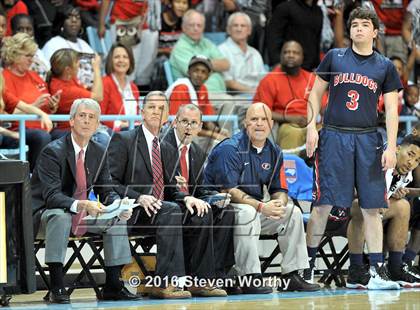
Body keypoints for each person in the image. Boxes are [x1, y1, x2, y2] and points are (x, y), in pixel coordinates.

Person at [305, 7, 402, 289]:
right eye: (354, 25)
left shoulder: (385, 66)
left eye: (364, 25)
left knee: (372, 207)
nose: (358, 29)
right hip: (334, 136)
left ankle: (376, 273)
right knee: (323, 204)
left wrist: (392, 147)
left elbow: (393, 112)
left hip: (368, 138)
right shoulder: (334, 57)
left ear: (375, 32)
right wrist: (312, 126)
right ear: (349, 31)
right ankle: (308, 266)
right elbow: (314, 94)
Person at [108, 91, 226, 298]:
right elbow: (110, 183)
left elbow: (171, 189)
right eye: (151, 107)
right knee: (170, 210)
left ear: (167, 116)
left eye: (161, 108)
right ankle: (166, 283)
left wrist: (188, 197)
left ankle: (200, 280)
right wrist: (139, 197)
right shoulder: (124, 139)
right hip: (133, 211)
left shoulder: (167, 147)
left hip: (162, 210)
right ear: (142, 112)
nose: (156, 111)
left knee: (201, 211)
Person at [204, 102, 320, 293]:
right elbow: (229, 190)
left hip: (253, 208)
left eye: (264, 119)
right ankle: (250, 277)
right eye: (254, 119)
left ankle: (292, 275)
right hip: (221, 210)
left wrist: (278, 204)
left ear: (271, 123)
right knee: (248, 212)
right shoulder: (230, 149)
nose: (259, 124)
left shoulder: (274, 151)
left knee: (292, 212)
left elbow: (279, 188)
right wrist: (261, 207)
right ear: (245, 124)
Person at [31, 98, 139, 303]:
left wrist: (117, 206)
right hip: (45, 215)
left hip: (81, 214)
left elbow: (107, 189)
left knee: (116, 219)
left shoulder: (99, 151)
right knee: (61, 216)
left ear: (98, 125)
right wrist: (82, 205)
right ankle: (56, 286)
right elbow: (51, 196)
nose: (86, 121)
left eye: (92, 118)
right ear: (71, 121)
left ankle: (113, 285)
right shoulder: (52, 152)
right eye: (82, 116)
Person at [162, 103, 235, 291]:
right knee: (202, 214)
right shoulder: (163, 145)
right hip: (169, 205)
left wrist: (215, 196)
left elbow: (200, 188)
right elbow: (167, 187)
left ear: (200, 127)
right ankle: (200, 279)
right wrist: (187, 197)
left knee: (227, 211)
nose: (188, 127)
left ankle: (219, 275)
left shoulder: (198, 151)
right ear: (174, 123)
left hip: (191, 203)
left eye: (193, 123)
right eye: (184, 121)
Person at [347, 134, 420, 289]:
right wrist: (381, 195)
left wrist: (393, 194)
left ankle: (395, 268)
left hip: (375, 212)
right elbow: (351, 191)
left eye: (417, 161)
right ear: (397, 149)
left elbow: (385, 196)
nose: (411, 163)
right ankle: (356, 269)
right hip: (343, 206)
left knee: (402, 206)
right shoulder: (378, 159)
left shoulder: (406, 174)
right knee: (364, 205)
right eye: (410, 155)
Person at [254, 40, 326, 150]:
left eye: (295, 53)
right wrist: (290, 118)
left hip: (313, 124)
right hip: (285, 124)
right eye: (286, 52)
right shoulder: (269, 80)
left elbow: (324, 106)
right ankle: (288, 166)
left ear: (302, 57)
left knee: (329, 133)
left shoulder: (311, 78)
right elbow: (261, 111)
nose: (291, 55)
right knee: (293, 132)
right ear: (281, 56)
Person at [1, 32, 58, 171]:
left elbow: (45, 105)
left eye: (33, 56)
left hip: (45, 125)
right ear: (14, 54)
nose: (32, 60)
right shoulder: (4, 78)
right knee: (41, 137)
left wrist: (52, 106)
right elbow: (9, 113)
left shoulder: (34, 75)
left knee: (69, 135)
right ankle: (35, 184)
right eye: (28, 56)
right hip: (18, 128)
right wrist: (35, 105)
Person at [166, 55, 229, 150]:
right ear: (188, 72)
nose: (199, 74)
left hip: (192, 131)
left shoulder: (203, 89)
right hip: (171, 134)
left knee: (224, 139)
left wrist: (218, 131)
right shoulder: (181, 89)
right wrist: (212, 134)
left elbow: (208, 120)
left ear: (208, 76)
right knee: (209, 141)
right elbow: (178, 126)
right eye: (196, 70)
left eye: (203, 72)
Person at [169, 9, 230, 95]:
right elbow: (196, 73)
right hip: (194, 96)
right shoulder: (180, 47)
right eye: (191, 25)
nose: (195, 28)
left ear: (203, 27)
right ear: (183, 27)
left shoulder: (206, 42)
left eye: (199, 25)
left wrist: (205, 64)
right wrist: (214, 67)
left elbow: (226, 64)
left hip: (217, 93)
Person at [47, 48, 103, 140]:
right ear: (68, 70)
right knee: (105, 139)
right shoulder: (65, 90)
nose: (79, 65)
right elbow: (98, 97)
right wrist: (96, 68)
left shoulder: (68, 79)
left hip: (81, 127)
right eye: (77, 62)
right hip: (69, 130)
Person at [42, 5, 95, 89]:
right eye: (69, 17)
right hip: (66, 90)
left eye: (77, 17)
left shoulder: (84, 44)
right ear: (61, 21)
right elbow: (48, 73)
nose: (74, 20)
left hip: (91, 90)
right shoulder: (53, 44)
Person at [218, 12, 266, 96]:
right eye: (235, 25)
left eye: (243, 26)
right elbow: (228, 82)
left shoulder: (255, 53)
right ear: (228, 30)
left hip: (258, 95)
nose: (239, 29)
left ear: (249, 30)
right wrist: (253, 92)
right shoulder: (221, 50)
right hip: (235, 97)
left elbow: (263, 79)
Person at [267, 0, 323, 70]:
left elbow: (317, 41)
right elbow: (273, 37)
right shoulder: (285, 8)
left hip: (310, 68)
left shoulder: (318, 11)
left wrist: (316, 65)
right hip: (288, 66)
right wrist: (276, 62)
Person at [100, 43, 140, 131]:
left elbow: (137, 117)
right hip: (112, 133)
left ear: (130, 61)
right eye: (117, 57)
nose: (121, 60)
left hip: (133, 131)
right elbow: (99, 116)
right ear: (110, 61)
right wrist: (121, 125)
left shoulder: (134, 88)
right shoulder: (104, 83)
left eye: (125, 57)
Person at [10, 13, 49, 80]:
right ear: (12, 31)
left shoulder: (39, 54)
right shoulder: (7, 55)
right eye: (20, 29)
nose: (25, 33)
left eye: (29, 29)